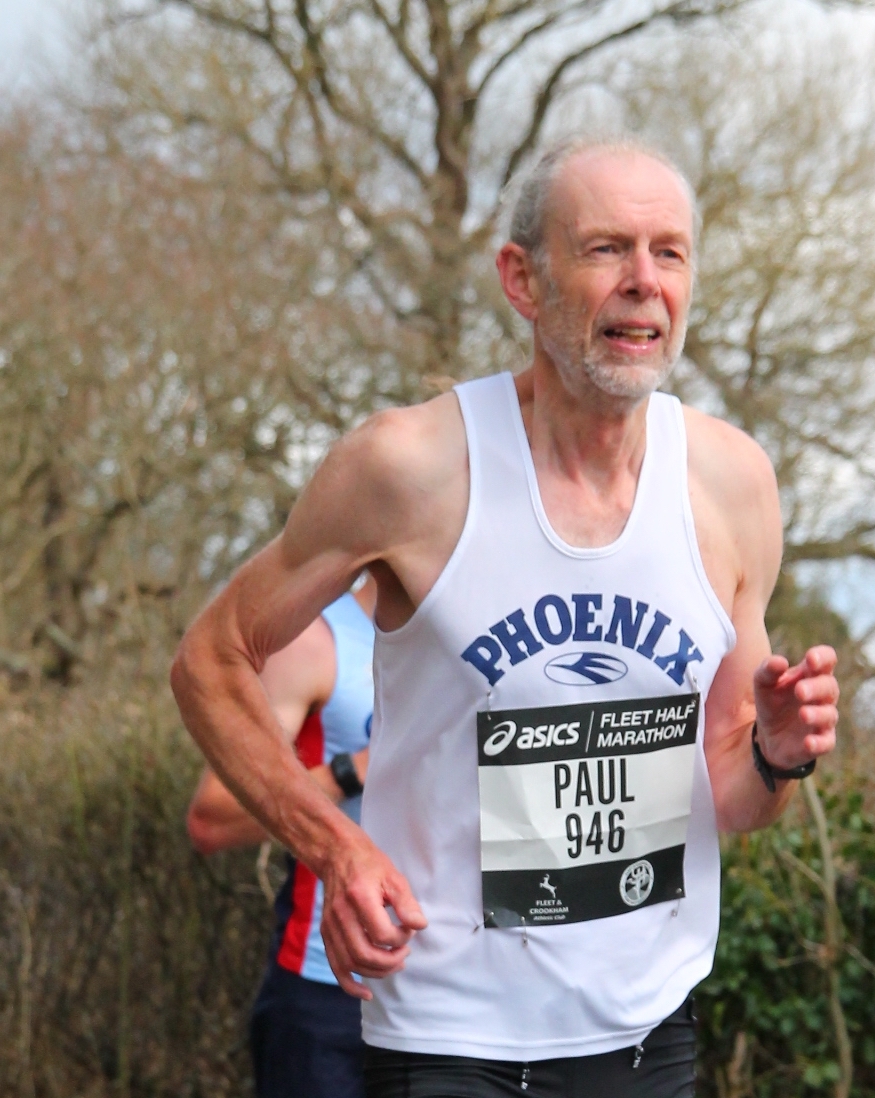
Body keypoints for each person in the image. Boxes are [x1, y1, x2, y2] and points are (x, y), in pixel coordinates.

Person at [171, 135, 840, 1098]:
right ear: (522, 279)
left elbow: (735, 800)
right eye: (606, 248)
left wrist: (774, 753)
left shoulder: (733, 482)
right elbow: (211, 661)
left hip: (650, 1031)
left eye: (670, 252)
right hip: (452, 1037)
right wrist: (334, 845)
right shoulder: (411, 469)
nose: (644, 281)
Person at [186, 577, 375, 1098]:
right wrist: (354, 769)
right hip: (329, 992)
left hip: (461, 990)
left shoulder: (481, 642)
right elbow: (213, 817)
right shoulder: (316, 641)